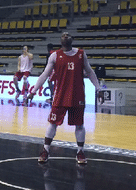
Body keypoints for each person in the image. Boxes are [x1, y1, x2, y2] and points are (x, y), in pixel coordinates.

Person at [27, 32, 102, 165]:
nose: (66, 35)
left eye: (68, 34)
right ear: (61, 40)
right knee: (53, 123)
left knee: (79, 124)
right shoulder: (55, 56)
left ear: (72, 39)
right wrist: (33, 91)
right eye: (63, 34)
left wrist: (98, 88)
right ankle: (45, 150)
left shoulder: (80, 54)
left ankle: (80, 151)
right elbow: (45, 75)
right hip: (60, 95)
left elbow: (90, 72)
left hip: (77, 95)